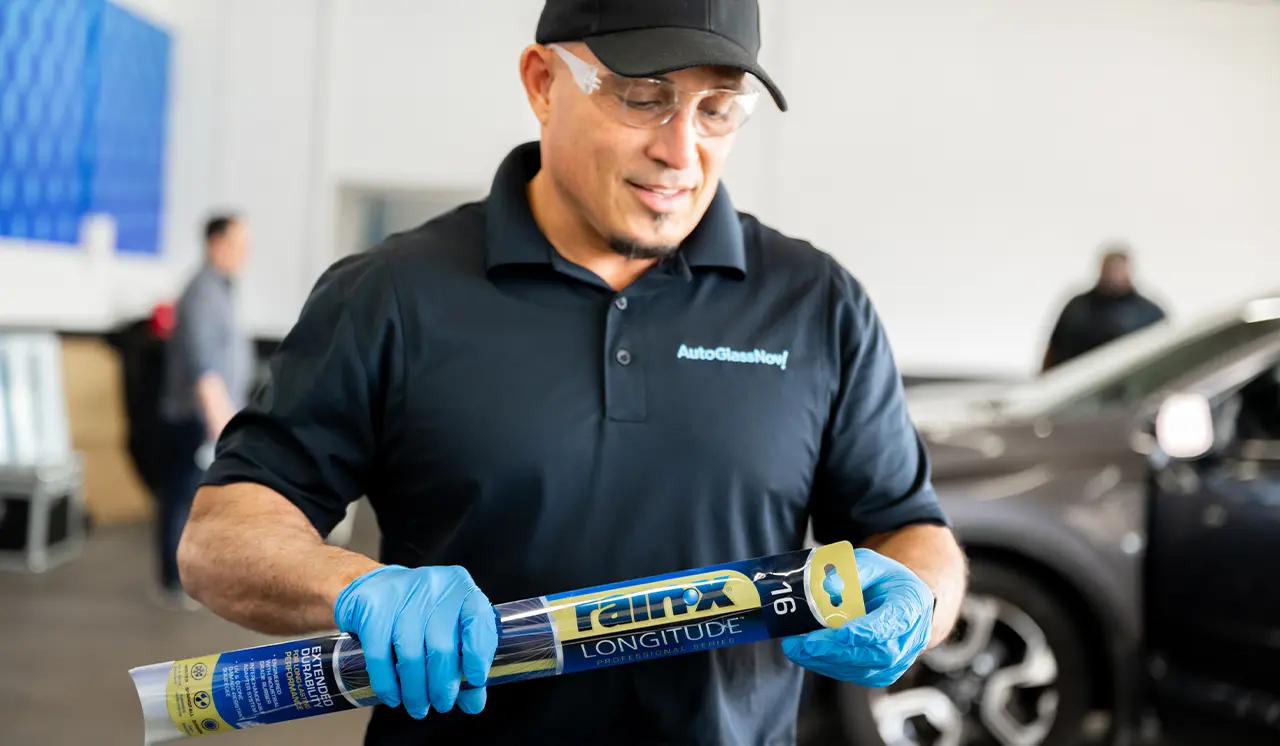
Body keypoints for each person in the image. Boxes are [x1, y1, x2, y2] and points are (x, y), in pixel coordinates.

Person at [177, 2, 968, 743]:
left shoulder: (814, 303)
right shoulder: (392, 293)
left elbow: (910, 527)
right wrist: (353, 586)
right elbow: (221, 537)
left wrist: (921, 598)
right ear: (542, 83)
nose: (680, 150)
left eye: (717, 109)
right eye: (643, 97)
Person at [155, 214, 252, 608]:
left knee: (198, 501)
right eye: (239, 242)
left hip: (210, 419)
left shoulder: (222, 289)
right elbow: (204, 366)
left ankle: (192, 578)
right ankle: (173, 582)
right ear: (216, 242)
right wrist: (220, 425)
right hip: (196, 420)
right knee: (182, 500)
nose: (245, 252)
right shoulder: (203, 293)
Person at [1042, 244, 1166, 372]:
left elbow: (1164, 357)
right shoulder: (1076, 309)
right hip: (1080, 383)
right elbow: (1053, 353)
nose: (1114, 274)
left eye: (1119, 268)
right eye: (1111, 268)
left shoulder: (1149, 314)